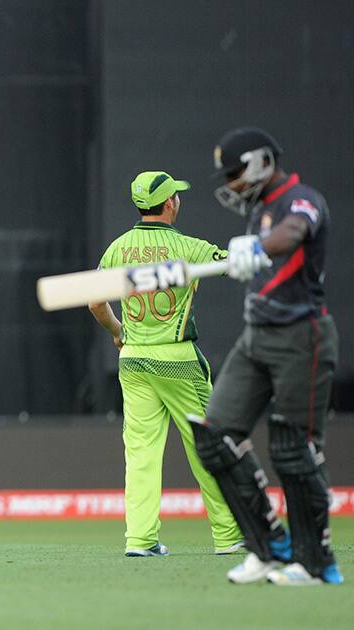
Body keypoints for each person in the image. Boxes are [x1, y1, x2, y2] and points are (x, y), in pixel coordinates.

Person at [188, 127, 343, 585]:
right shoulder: (259, 213)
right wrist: (252, 245)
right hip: (257, 336)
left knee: (295, 448)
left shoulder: (301, 200)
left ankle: (316, 564)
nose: (232, 184)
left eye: (236, 173)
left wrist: (257, 247)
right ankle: (268, 546)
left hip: (303, 336)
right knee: (214, 434)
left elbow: (293, 234)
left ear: (260, 162)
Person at [89, 171, 243, 557]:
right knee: (207, 447)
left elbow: (95, 302)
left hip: (134, 360)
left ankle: (140, 540)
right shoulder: (189, 247)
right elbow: (233, 265)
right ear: (170, 203)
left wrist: (118, 329)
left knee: (140, 452)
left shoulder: (117, 248)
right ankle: (228, 535)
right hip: (178, 361)